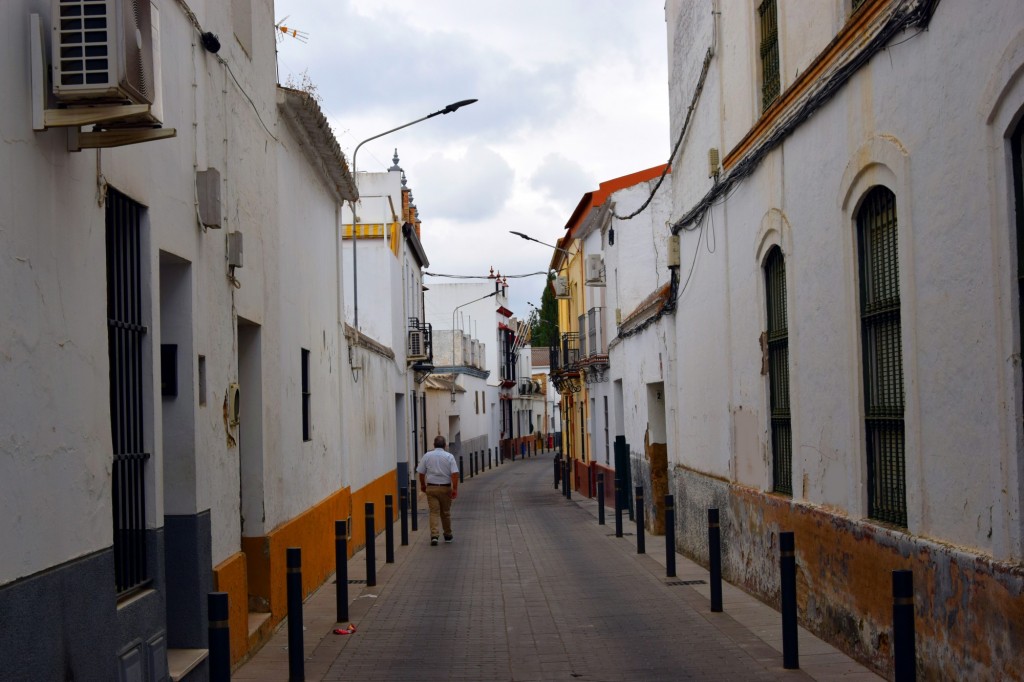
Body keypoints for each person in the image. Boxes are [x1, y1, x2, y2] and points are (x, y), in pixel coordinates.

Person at [417, 435, 459, 545]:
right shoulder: (449, 456)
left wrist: (423, 485)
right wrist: (454, 489)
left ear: (434, 445)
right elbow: (455, 474)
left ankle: (434, 536)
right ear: (445, 445)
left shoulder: (427, 456)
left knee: (434, 512)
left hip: (431, 487)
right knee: (445, 512)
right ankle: (448, 535)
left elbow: (421, 473)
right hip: (445, 488)